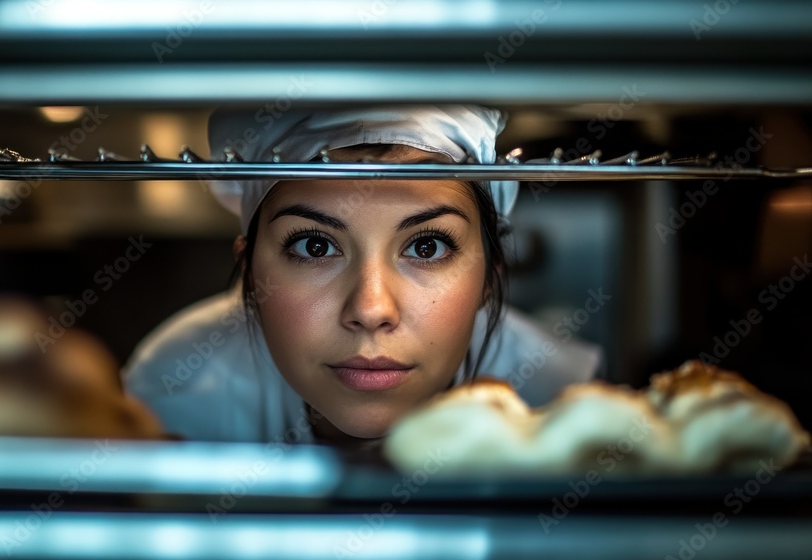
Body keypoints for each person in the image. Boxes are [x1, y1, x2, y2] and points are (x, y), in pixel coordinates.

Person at [123, 105, 602, 445]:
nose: (371, 310)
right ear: (250, 274)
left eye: (426, 246)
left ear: (488, 279)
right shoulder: (173, 395)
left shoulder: (559, 403)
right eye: (315, 246)